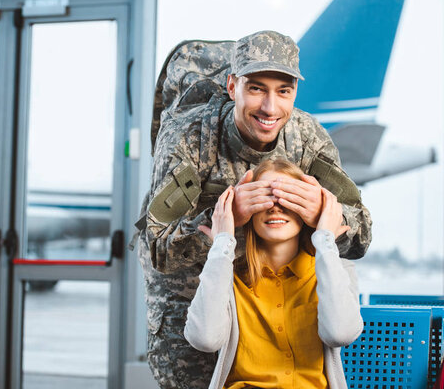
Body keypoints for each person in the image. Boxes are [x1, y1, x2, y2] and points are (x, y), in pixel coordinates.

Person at [138, 30, 372, 388]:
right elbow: (156, 247)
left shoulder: (308, 137)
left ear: (295, 93)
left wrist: (324, 215)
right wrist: (222, 221)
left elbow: (361, 235)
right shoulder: (188, 137)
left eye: (284, 91)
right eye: (257, 88)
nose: (270, 107)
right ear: (233, 87)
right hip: (189, 295)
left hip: (269, 299)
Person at [185, 159, 363, 389]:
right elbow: (204, 339)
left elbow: (341, 334)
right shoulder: (225, 274)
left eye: (290, 198)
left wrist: (325, 238)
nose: (275, 207)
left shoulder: (333, 270)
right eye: (264, 197)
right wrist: (222, 241)